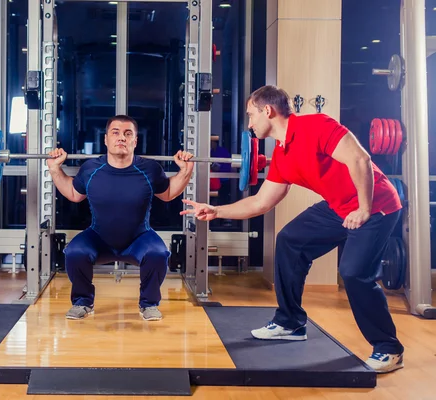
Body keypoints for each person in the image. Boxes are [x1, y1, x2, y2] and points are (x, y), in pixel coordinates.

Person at [180, 85, 404, 374]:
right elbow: (261, 202)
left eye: (251, 115)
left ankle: (389, 349)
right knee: (289, 241)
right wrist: (216, 211)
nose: (249, 124)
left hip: (375, 206)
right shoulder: (283, 156)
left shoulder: (317, 125)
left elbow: (360, 159)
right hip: (338, 207)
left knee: (353, 273)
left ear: (268, 111)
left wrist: (363, 208)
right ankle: (290, 322)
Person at [47, 115, 194, 321]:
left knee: (159, 253)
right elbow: (73, 194)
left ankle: (149, 304)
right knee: (74, 251)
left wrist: (185, 171)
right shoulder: (90, 169)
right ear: (106, 139)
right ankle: (82, 302)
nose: (121, 138)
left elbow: (168, 194)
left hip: (139, 239)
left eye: (128, 134)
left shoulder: (150, 169)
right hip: (99, 238)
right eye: (115, 133)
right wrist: (55, 169)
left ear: (135, 140)